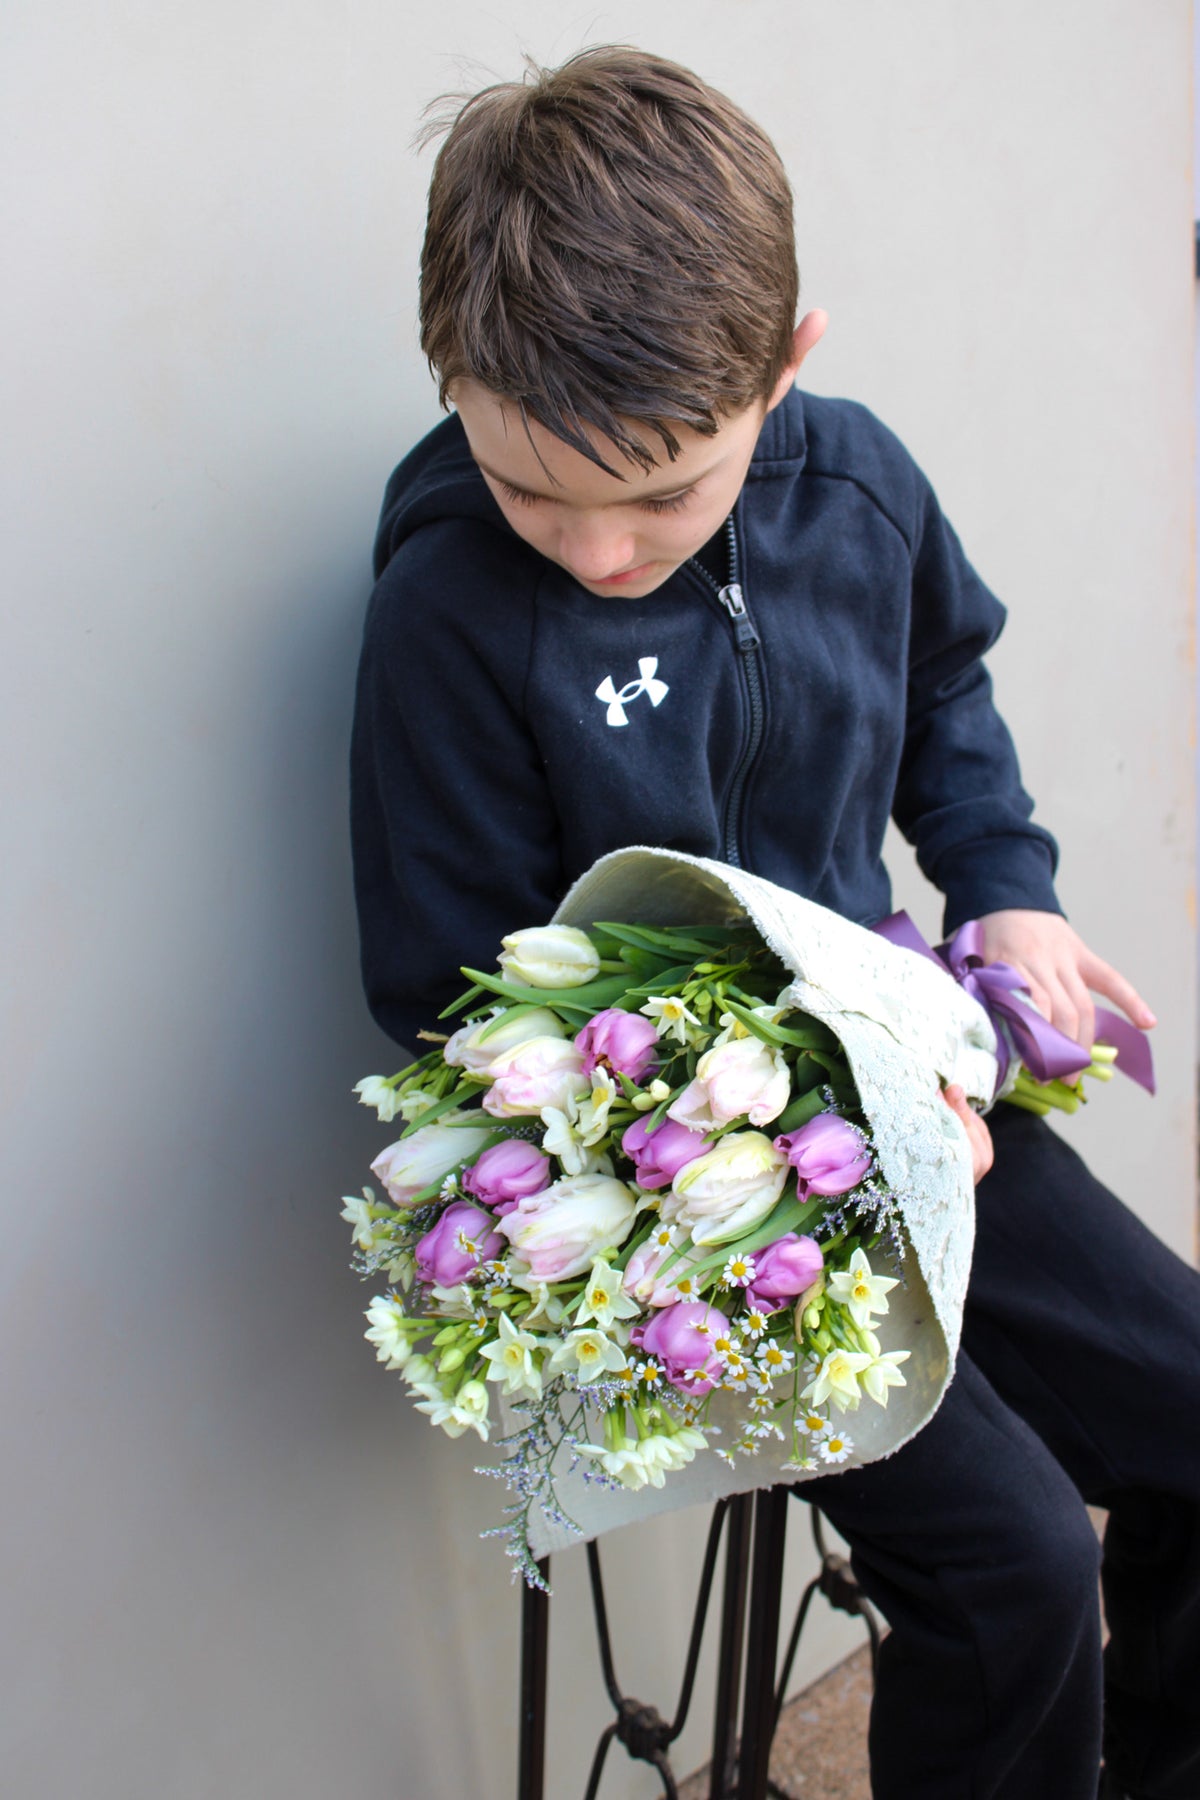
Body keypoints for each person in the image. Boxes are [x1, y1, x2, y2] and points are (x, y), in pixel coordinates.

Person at [349, 47, 1199, 1800]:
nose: (597, 553)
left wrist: (1010, 891)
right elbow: (446, 989)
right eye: (532, 492)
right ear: (451, 379)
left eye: (664, 493)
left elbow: (942, 686)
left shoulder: (859, 490)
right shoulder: (446, 606)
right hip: (690, 1215)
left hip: (931, 1096)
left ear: (786, 362)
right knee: (1019, 1563)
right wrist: (821, 1090)